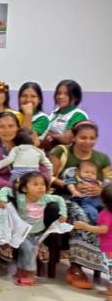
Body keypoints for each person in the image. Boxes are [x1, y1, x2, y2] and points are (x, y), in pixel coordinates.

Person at [48, 121, 111, 288]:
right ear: (74, 137)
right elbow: (48, 177)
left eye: (92, 138)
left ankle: (107, 264)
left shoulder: (102, 158)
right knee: (81, 216)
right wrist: (70, 186)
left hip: (95, 198)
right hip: (65, 198)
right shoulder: (60, 151)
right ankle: (76, 266)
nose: (87, 142)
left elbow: (109, 182)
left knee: (107, 217)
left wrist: (100, 191)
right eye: (83, 137)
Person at [0, 171, 67, 286]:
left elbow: (60, 199)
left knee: (29, 251)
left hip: (38, 233)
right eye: (35, 184)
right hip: (23, 233)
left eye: (43, 184)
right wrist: (2, 199)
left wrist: (63, 213)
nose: (40, 187)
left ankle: (30, 275)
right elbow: (4, 190)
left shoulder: (45, 198)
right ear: (24, 189)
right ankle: (24, 272)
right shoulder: (21, 197)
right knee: (27, 250)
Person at [71, 187, 112, 301]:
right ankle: (110, 289)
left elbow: (103, 229)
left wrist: (85, 226)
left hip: (109, 247)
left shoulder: (105, 214)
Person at [46, 79, 88, 147]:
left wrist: (50, 135)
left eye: (66, 94)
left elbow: (67, 139)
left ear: (76, 97)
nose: (61, 97)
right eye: (59, 93)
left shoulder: (78, 115)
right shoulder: (54, 113)